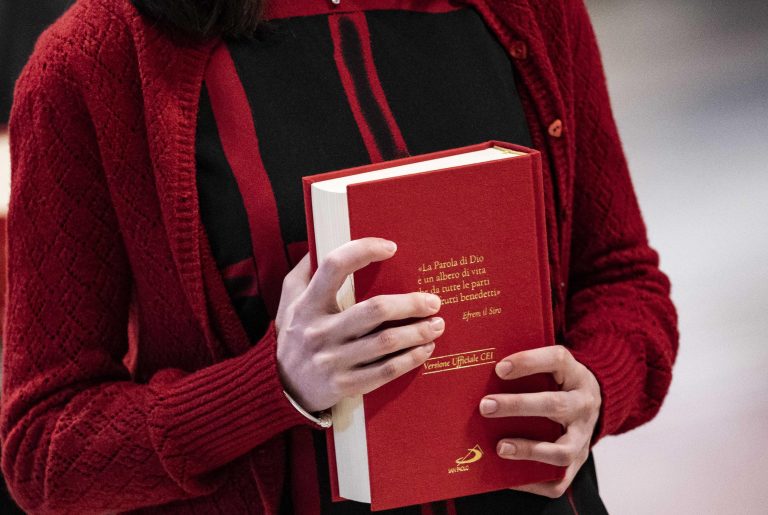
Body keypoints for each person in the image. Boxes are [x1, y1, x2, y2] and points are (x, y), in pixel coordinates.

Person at [0, 0, 678, 513]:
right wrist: (272, 385)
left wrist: (596, 389)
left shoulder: (526, 11)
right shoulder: (95, 60)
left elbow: (622, 278)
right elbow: (43, 448)